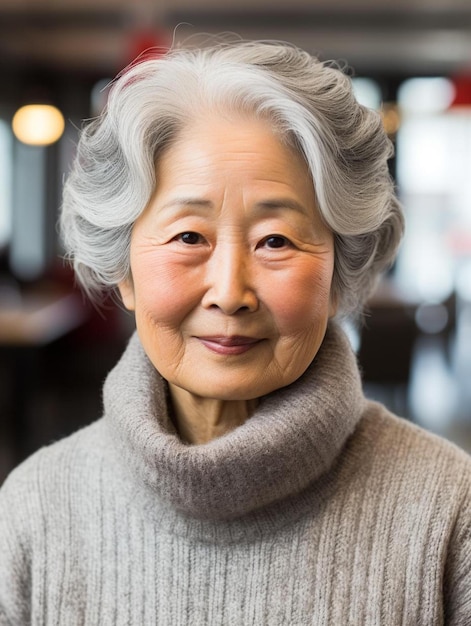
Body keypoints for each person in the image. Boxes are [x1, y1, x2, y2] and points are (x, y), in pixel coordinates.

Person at [1, 38, 470, 625]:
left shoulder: (450, 510)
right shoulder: (34, 509)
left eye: (275, 240)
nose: (229, 291)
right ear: (124, 270)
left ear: (337, 269)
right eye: (189, 237)